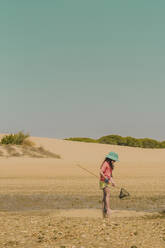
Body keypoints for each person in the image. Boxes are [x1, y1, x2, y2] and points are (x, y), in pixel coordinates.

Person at [100, 152, 119, 218]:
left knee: (105, 195)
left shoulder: (110, 165)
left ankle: (104, 209)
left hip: (106, 181)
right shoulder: (105, 163)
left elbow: (110, 175)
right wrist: (106, 179)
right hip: (103, 181)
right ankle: (108, 210)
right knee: (108, 194)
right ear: (111, 159)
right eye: (114, 160)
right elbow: (101, 172)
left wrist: (113, 182)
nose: (115, 162)